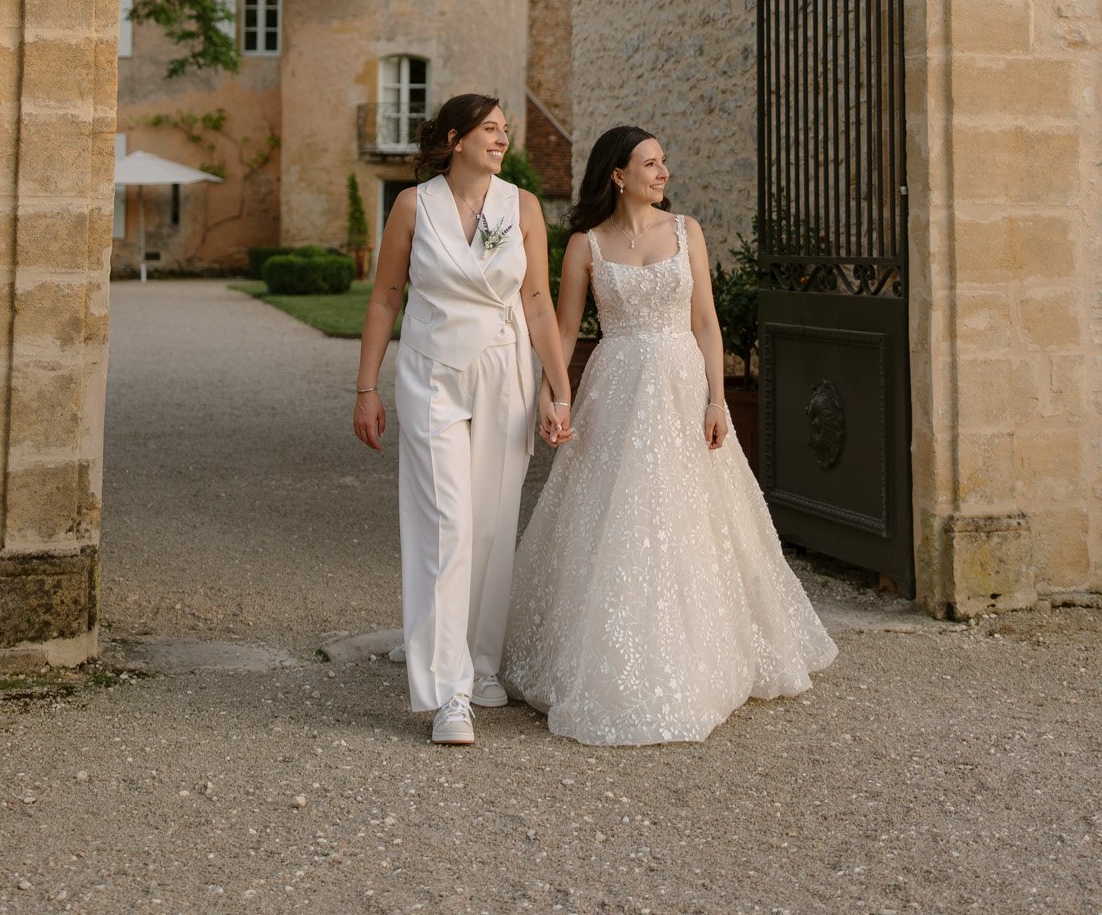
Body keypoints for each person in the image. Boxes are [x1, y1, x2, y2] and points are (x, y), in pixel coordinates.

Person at [502, 125, 837, 744]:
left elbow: (706, 322)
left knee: (692, 515)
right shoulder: (585, 245)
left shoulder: (687, 232)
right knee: (613, 518)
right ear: (618, 175)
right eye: (651, 164)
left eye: (664, 163)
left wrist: (717, 399)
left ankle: (706, 656)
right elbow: (568, 331)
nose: (663, 173)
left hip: (683, 389)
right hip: (617, 389)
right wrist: (555, 394)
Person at [352, 93, 572, 746]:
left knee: (492, 522)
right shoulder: (413, 206)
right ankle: (447, 693)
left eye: (504, 130)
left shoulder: (521, 206)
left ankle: (479, 663)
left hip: (504, 372)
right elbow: (386, 296)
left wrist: (558, 391)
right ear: (454, 138)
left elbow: (536, 303)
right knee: (446, 524)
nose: (501, 139)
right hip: (431, 375)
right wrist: (366, 387)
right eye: (489, 129)